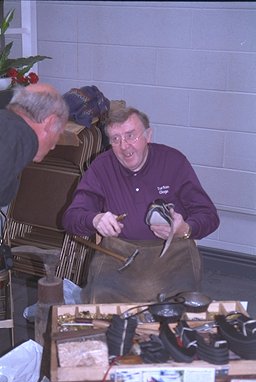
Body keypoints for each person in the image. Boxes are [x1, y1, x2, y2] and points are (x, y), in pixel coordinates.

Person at [62, 106, 220, 303]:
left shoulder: (174, 162)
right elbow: (71, 218)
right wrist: (95, 219)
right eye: (116, 139)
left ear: (148, 135)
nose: (124, 146)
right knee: (101, 304)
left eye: (131, 135)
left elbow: (209, 216)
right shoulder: (102, 166)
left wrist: (185, 229)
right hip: (118, 255)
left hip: (172, 255)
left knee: (179, 306)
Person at [0, 83, 69, 208]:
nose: (53, 146)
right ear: (50, 122)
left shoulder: (7, 123)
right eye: (59, 133)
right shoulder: (21, 136)